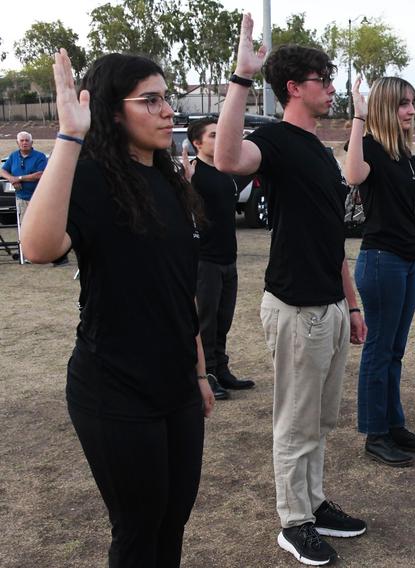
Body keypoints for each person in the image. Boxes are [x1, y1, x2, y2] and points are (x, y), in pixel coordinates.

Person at [20, 50, 215, 567]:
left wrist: (198, 372)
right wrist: (68, 136)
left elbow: (178, 290)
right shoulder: (89, 178)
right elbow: (37, 247)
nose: (168, 110)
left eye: (166, 97)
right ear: (112, 112)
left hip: (176, 385)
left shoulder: (172, 182)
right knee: (138, 527)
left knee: (174, 518)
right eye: (150, 100)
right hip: (114, 388)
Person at [215, 13, 367, 566]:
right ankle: (293, 521)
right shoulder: (274, 140)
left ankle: (316, 501)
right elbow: (227, 159)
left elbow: (331, 238)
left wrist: (350, 302)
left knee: (320, 422)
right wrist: (240, 77)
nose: (331, 88)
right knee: (295, 422)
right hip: (294, 308)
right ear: (293, 88)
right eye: (322, 80)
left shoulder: (318, 151)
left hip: (327, 304)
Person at [343, 76, 415, 468]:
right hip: (381, 261)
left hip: (407, 260)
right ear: (384, 107)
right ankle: (375, 433)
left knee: (395, 348)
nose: (411, 111)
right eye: (403, 104)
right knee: (379, 350)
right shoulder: (371, 148)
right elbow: (352, 176)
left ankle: (393, 423)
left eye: (412, 103)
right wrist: (359, 117)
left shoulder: (400, 153)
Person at [185, 117, 256, 401]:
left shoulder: (227, 171)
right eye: (213, 135)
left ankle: (222, 368)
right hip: (205, 259)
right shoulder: (193, 173)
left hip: (229, 257)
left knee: (223, 317)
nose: (220, 139)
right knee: (206, 320)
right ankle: (207, 372)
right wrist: (184, 183)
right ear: (197, 143)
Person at [0, 131, 55, 264]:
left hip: (39, 198)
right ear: (17, 143)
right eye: (22, 140)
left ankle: (46, 252)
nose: (24, 142)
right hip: (22, 198)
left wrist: (19, 178)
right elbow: (2, 170)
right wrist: (11, 178)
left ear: (32, 142)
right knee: (25, 227)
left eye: (27, 140)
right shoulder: (13, 156)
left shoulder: (40, 157)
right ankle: (27, 253)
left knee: (42, 226)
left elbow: (39, 174)